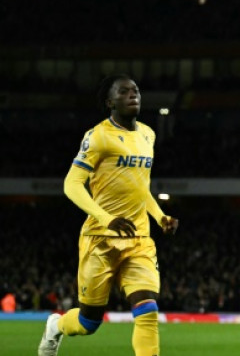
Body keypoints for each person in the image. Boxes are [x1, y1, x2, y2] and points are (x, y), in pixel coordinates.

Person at [38, 75, 179, 356]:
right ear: (110, 102)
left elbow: (140, 188)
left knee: (148, 309)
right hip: (100, 239)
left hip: (138, 238)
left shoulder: (148, 135)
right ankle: (56, 325)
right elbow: (71, 184)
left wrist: (160, 216)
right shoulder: (98, 136)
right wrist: (107, 219)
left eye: (135, 90)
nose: (132, 95)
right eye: (124, 92)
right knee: (88, 322)